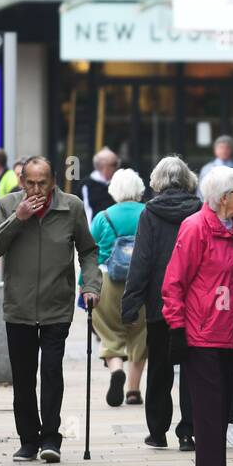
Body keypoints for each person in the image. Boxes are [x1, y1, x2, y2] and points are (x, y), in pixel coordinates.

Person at [0, 156, 100, 463]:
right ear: (21, 182)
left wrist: (90, 285)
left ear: (53, 182)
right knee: (23, 378)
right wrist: (17, 218)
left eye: (42, 183)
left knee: (51, 372)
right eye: (30, 182)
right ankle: (28, 440)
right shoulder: (9, 205)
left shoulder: (71, 207)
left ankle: (51, 438)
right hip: (19, 306)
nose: (36, 189)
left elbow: (88, 250)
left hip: (56, 304)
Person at [162, 166, 233, 466]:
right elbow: (174, 282)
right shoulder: (196, 227)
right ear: (224, 197)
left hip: (229, 330)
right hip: (202, 333)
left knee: (222, 404)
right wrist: (176, 327)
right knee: (209, 406)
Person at [121, 157, 202, 450]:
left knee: (159, 367)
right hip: (195, 302)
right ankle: (188, 432)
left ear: (157, 182)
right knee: (192, 368)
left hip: (160, 302)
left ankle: (157, 432)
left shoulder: (150, 213)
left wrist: (130, 304)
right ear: (188, 180)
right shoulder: (200, 210)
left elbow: (141, 261)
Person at [88, 168, 148, 409]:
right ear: (139, 189)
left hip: (106, 282)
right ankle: (133, 391)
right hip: (141, 282)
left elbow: (89, 252)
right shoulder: (148, 213)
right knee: (140, 334)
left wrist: (85, 284)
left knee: (110, 333)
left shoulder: (103, 217)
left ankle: (115, 370)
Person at [199, 135, 233, 220]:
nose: (224, 151)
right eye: (221, 147)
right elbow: (201, 193)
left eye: (227, 148)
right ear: (215, 150)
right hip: (212, 215)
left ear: (231, 150)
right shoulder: (207, 169)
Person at [81, 147, 119, 223]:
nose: (117, 167)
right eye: (114, 164)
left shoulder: (119, 182)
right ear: (103, 166)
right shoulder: (86, 185)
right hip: (93, 230)